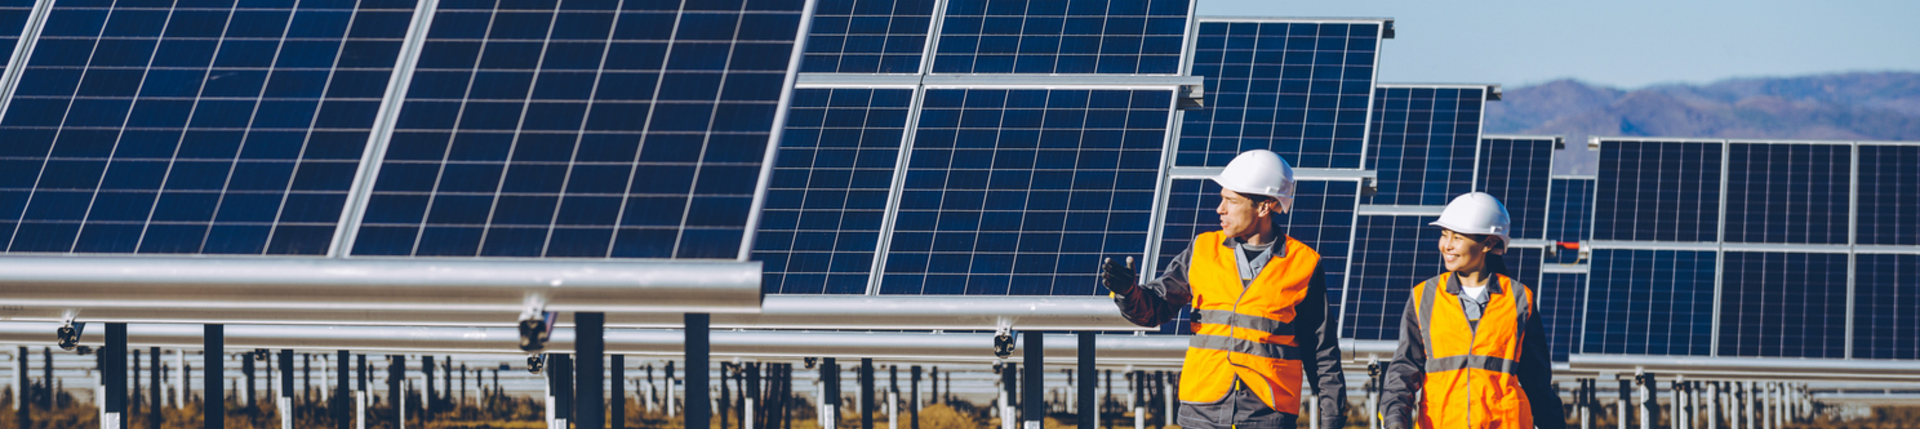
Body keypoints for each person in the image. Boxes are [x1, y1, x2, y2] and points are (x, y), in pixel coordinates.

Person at [1102, 149, 1346, 429]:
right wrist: (1128, 293)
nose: (1220, 209)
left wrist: (1333, 418)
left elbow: (1321, 350)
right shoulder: (1202, 250)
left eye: (1230, 200)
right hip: (1201, 411)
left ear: (1264, 207)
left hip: (1267, 415)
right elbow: (1154, 310)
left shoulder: (1303, 264)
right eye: (1222, 199)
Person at [1381, 192, 1565, 429]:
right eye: (1444, 234)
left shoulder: (1519, 299)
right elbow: (1403, 371)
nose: (1446, 245)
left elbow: (1538, 382)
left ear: (1488, 243)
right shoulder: (1424, 296)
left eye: (1457, 237)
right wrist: (1394, 420)